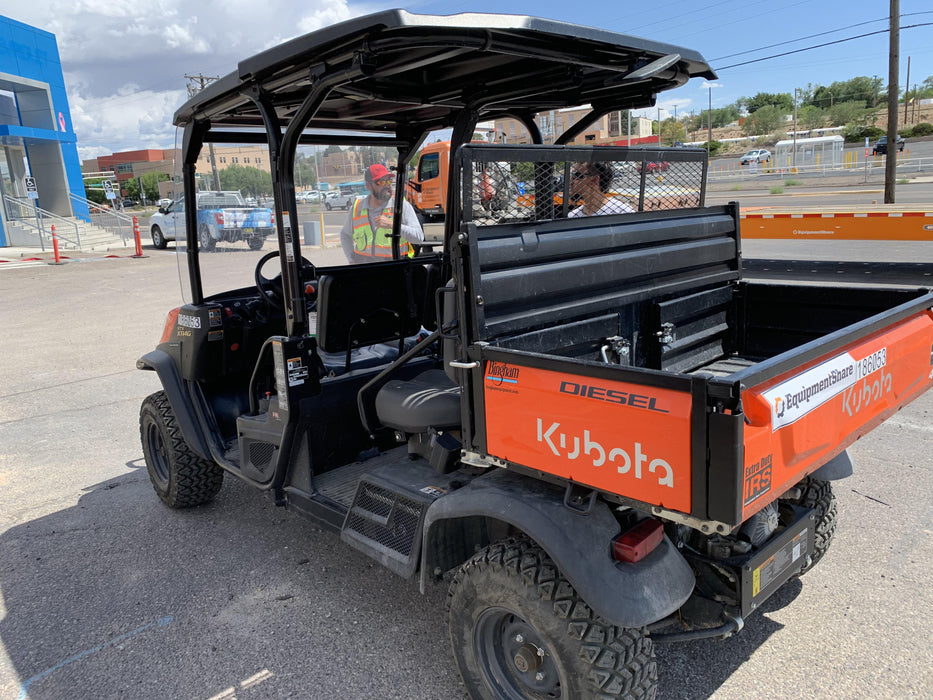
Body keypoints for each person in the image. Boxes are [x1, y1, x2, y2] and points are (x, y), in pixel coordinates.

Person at [340, 164, 424, 263]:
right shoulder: (357, 208)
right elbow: (345, 235)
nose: (387, 185)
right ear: (368, 185)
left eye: (389, 181)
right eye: (381, 182)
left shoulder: (401, 206)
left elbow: (418, 237)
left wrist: (392, 225)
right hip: (364, 269)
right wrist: (351, 260)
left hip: (394, 266)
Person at [567, 161, 635, 218]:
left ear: (595, 180)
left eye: (577, 175)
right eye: (572, 175)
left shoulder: (622, 213)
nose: (571, 181)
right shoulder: (572, 216)